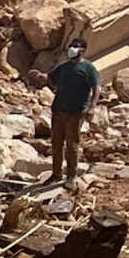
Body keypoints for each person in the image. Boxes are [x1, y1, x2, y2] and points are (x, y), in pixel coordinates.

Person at [45, 39, 98, 183]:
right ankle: (56, 174)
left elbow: (96, 88)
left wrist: (92, 107)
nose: (72, 49)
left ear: (83, 50)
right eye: (71, 46)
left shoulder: (88, 68)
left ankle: (71, 176)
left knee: (72, 145)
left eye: (76, 47)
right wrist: (43, 79)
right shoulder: (64, 67)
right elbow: (51, 79)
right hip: (58, 110)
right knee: (56, 143)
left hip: (75, 112)